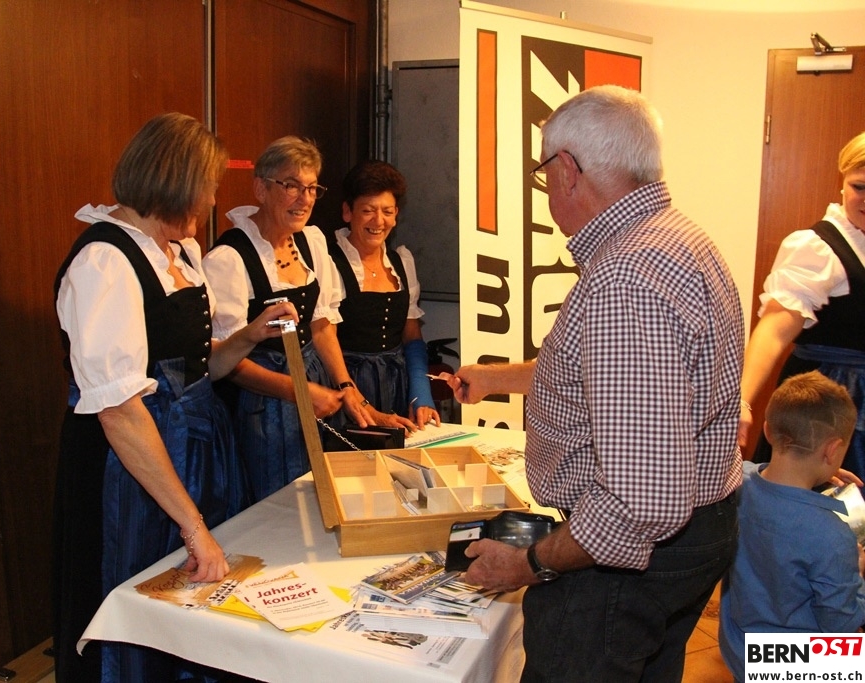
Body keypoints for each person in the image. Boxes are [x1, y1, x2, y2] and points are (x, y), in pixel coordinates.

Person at [448, 85, 745, 681]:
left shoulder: (624, 279)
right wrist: (496, 378)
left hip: (623, 567)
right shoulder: (677, 238)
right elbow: (616, 375)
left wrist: (528, 564)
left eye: (543, 173)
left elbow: (641, 502)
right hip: (696, 532)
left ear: (567, 169)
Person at [52, 113, 296, 683]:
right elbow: (119, 410)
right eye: (208, 186)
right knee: (140, 596)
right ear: (176, 182)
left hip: (196, 448)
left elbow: (198, 368)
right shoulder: (105, 262)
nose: (212, 201)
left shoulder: (181, 251)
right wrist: (192, 524)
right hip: (131, 469)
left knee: (199, 602)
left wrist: (247, 337)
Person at [203, 137, 413, 503]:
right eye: (291, 186)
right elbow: (226, 360)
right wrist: (299, 392)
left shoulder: (311, 242)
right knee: (277, 503)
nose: (305, 199)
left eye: (312, 188)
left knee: (322, 496)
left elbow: (321, 326)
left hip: (314, 385)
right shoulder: (229, 259)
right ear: (261, 188)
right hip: (261, 405)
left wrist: (348, 389)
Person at [719, 371, 865, 682]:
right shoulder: (834, 537)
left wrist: (817, 470)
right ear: (833, 450)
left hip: (738, 645)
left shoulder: (737, 483)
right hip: (794, 664)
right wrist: (859, 572)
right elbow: (840, 624)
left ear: (768, 430)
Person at [740, 131, 865, 480]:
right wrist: (742, 400)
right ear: (842, 183)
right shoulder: (817, 248)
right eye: (859, 187)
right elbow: (776, 327)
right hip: (826, 407)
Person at [327, 160, 440, 430]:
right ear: (347, 211)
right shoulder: (329, 262)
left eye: (387, 211)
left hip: (395, 384)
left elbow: (412, 336)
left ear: (396, 214)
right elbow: (323, 338)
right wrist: (359, 401)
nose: (379, 221)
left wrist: (421, 394)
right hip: (345, 388)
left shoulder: (401, 262)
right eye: (368, 210)